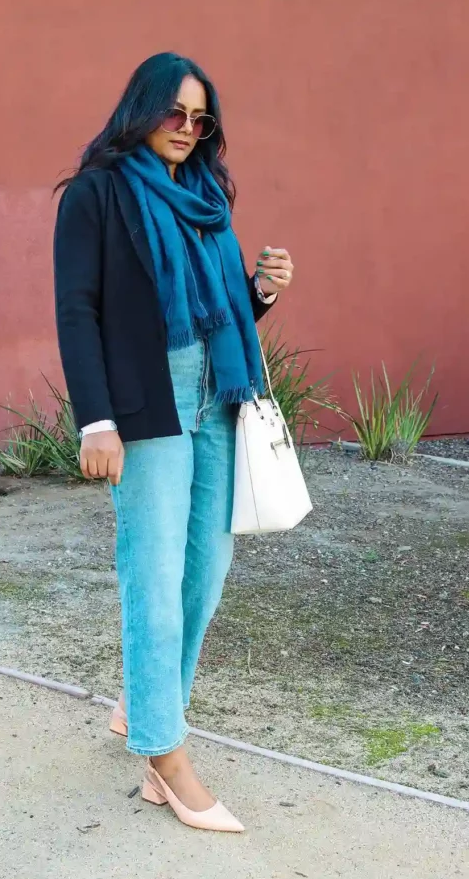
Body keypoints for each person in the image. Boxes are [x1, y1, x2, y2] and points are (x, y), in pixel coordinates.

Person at [54, 52, 294, 832]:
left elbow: (212, 313)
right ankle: (164, 756)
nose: (187, 130)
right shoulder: (95, 194)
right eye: (175, 114)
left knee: (205, 573)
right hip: (144, 408)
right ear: (142, 108)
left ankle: (143, 703)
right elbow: (78, 312)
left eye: (201, 120)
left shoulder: (203, 199)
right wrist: (96, 421)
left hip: (216, 402)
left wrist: (257, 292)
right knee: (152, 581)